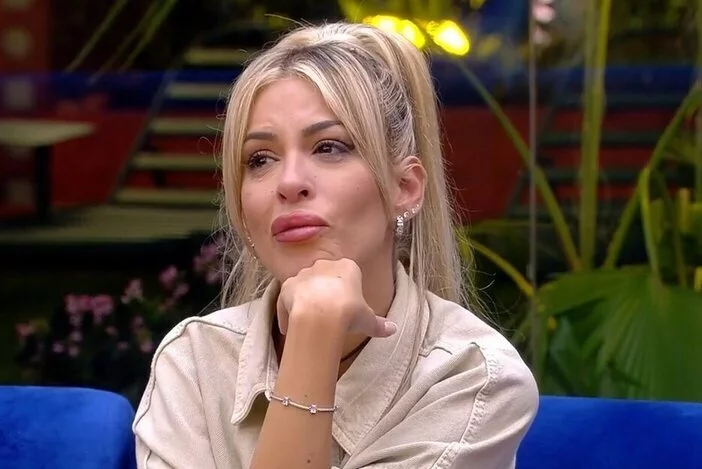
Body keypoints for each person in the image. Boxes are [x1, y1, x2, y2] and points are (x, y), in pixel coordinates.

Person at [132, 21, 539, 469]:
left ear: (405, 187)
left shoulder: (472, 376)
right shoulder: (194, 360)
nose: (289, 183)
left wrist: (313, 334)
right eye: (260, 159)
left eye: (329, 148)